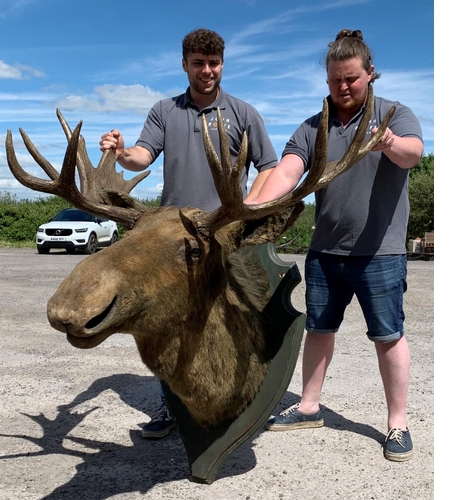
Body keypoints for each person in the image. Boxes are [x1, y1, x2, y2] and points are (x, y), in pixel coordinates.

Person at [247, 29, 423, 462]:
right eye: (334, 81)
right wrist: (249, 205)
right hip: (326, 251)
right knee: (318, 330)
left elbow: (414, 153)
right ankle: (309, 407)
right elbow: (287, 172)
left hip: (380, 252)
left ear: (370, 74)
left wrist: (389, 142)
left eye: (351, 79)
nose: (342, 87)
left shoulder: (394, 114)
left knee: (388, 336)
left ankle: (397, 424)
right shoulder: (313, 127)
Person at [99, 28, 278, 439]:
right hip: (175, 239)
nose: (207, 71)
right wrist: (122, 151)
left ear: (222, 64)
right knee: (167, 320)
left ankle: (241, 396)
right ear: (184, 64)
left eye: (213, 63)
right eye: (198, 63)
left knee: (237, 316)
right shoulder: (165, 111)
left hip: (222, 234)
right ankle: (170, 407)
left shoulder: (244, 113)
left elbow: (268, 165)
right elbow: (142, 155)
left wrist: (246, 210)